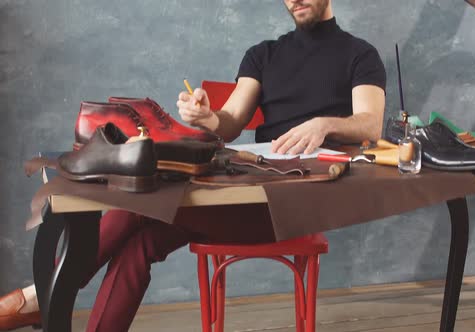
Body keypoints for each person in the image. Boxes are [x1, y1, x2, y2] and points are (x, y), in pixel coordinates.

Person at [0, 0, 386, 331]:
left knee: (139, 211)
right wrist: (205, 117)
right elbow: (230, 123)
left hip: (300, 203)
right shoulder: (263, 54)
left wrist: (325, 124)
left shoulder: (359, 54)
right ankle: (43, 294)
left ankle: (40, 293)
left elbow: (370, 123)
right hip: (246, 191)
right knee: (142, 241)